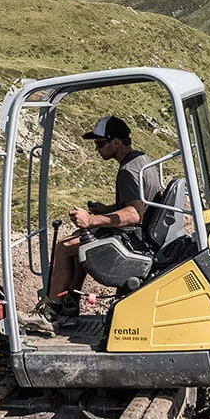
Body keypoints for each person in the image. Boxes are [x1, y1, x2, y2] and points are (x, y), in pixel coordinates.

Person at [39, 115, 161, 329]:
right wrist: (107, 210)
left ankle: (52, 311)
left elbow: (134, 214)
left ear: (116, 142)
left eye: (100, 144)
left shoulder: (127, 171)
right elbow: (137, 203)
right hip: (140, 233)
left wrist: (90, 220)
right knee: (78, 250)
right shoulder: (142, 160)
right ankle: (70, 305)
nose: (97, 149)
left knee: (64, 247)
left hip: (132, 238)